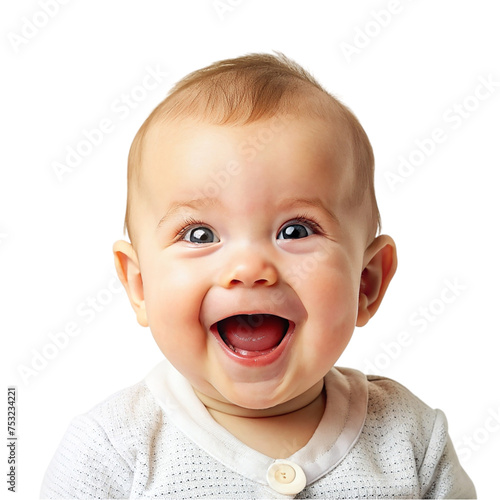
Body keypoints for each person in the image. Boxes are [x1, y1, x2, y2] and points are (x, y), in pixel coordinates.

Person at [41, 53, 476, 499]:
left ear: (366, 282)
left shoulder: (412, 441)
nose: (249, 269)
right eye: (200, 234)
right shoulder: (110, 453)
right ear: (139, 286)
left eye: (295, 231)